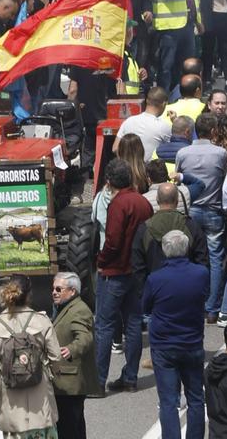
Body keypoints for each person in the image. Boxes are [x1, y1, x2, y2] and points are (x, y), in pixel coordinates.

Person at [0, 269, 64, 438]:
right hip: (38, 390)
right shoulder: (41, 321)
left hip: (9, 390)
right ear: (28, 295)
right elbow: (56, 356)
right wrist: (53, 374)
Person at [144, 229, 210, 439]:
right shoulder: (201, 274)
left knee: (168, 401)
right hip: (192, 342)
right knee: (196, 398)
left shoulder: (155, 278)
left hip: (164, 345)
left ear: (165, 251)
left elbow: (145, 306)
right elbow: (205, 296)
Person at [93, 156, 150, 392]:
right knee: (134, 324)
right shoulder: (143, 203)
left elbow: (113, 240)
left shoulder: (118, 204)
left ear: (109, 181)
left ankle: (98, 380)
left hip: (114, 271)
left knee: (104, 325)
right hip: (136, 273)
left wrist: (101, 260)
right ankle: (131, 377)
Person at [51, 269, 99, 439]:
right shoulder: (65, 307)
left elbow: (85, 337)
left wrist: (72, 349)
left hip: (70, 383)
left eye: (59, 289)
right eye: (54, 289)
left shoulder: (79, 310)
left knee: (68, 428)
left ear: (72, 291)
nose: (54, 292)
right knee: (75, 426)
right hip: (67, 381)